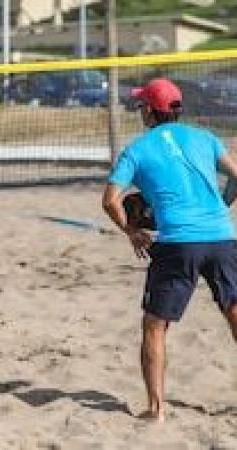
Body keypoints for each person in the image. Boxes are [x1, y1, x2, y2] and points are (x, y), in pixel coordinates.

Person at [102, 78, 237, 422]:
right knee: (234, 313)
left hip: (178, 242)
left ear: (149, 110)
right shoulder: (205, 138)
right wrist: (222, 204)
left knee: (154, 325)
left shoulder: (137, 149)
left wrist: (131, 231)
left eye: (140, 106)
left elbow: (110, 201)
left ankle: (156, 409)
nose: (139, 111)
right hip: (222, 237)